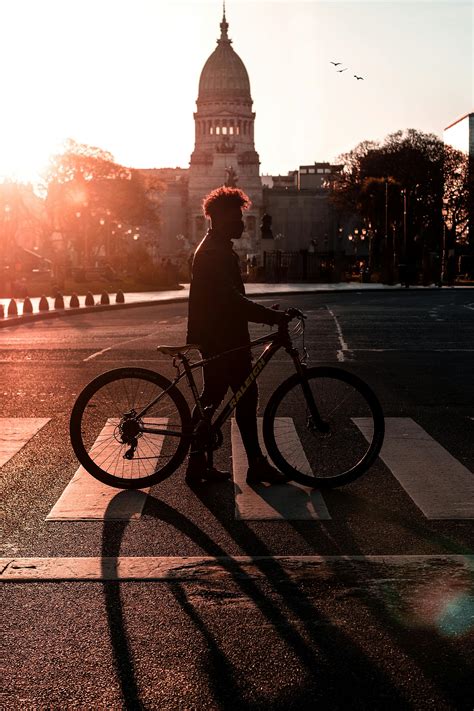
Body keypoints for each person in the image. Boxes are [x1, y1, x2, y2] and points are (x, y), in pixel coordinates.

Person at [186, 186, 289, 486]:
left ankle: (199, 464)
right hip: (223, 338)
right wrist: (270, 317)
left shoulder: (216, 247)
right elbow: (230, 301)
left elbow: (228, 298)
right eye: (236, 217)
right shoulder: (214, 252)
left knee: (224, 396)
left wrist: (263, 312)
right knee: (236, 396)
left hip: (222, 334)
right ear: (219, 218)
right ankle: (251, 464)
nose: (242, 223)